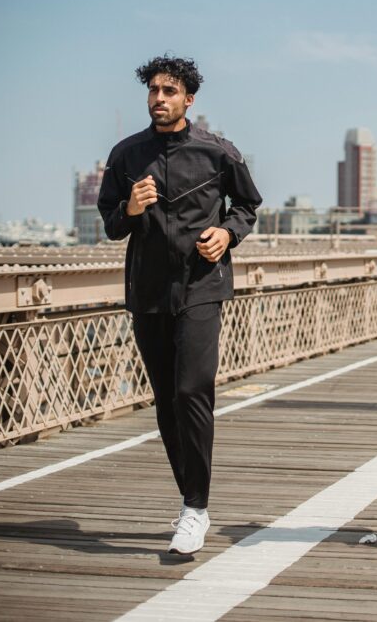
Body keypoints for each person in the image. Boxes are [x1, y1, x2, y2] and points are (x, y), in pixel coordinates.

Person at [97, 56, 262, 555]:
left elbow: (248, 207)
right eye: (153, 90)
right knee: (168, 400)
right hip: (148, 292)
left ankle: (195, 507)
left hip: (200, 286)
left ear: (189, 99)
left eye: (169, 91)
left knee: (193, 390)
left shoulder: (218, 153)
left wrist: (225, 234)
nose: (159, 98)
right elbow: (110, 223)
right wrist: (130, 206)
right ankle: (192, 500)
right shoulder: (126, 155)